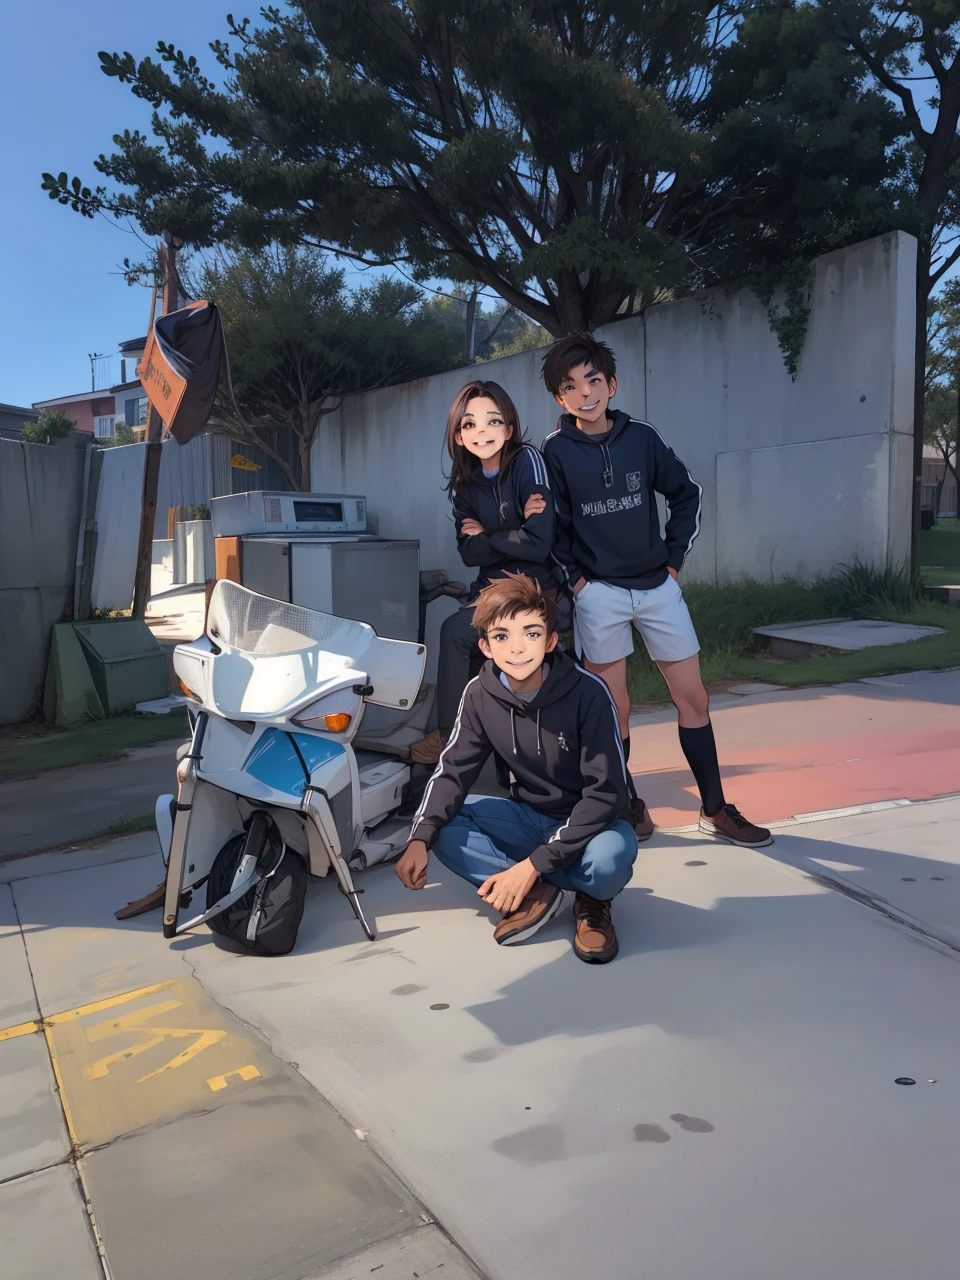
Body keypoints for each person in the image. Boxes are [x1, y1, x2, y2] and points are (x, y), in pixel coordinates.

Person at [540, 332, 772, 849]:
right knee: (614, 710)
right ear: (560, 398)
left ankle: (715, 809)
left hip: (656, 587)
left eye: (593, 381)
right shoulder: (553, 452)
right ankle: (626, 805)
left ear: (612, 384)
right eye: (571, 387)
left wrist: (673, 560)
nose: (584, 394)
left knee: (693, 697)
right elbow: (551, 529)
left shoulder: (642, 438)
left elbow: (686, 492)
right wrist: (578, 581)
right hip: (598, 593)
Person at [396, 574, 639, 964]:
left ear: (550, 640)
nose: (518, 648)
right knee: (443, 828)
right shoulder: (479, 694)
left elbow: (606, 793)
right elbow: (453, 770)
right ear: (486, 646)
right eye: (502, 636)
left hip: (596, 825)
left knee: (608, 862)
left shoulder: (589, 692)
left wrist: (533, 864)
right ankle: (537, 893)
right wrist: (419, 838)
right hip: (530, 817)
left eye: (531, 633)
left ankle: (590, 903)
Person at [410, 379, 561, 765]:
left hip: (536, 586)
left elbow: (540, 543)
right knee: (454, 631)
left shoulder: (528, 461)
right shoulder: (464, 485)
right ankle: (452, 737)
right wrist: (511, 534)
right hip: (490, 589)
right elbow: (468, 551)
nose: (482, 432)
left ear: (508, 429)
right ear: (459, 436)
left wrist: (489, 534)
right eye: (470, 424)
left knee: (461, 632)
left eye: (493, 422)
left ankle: (465, 738)